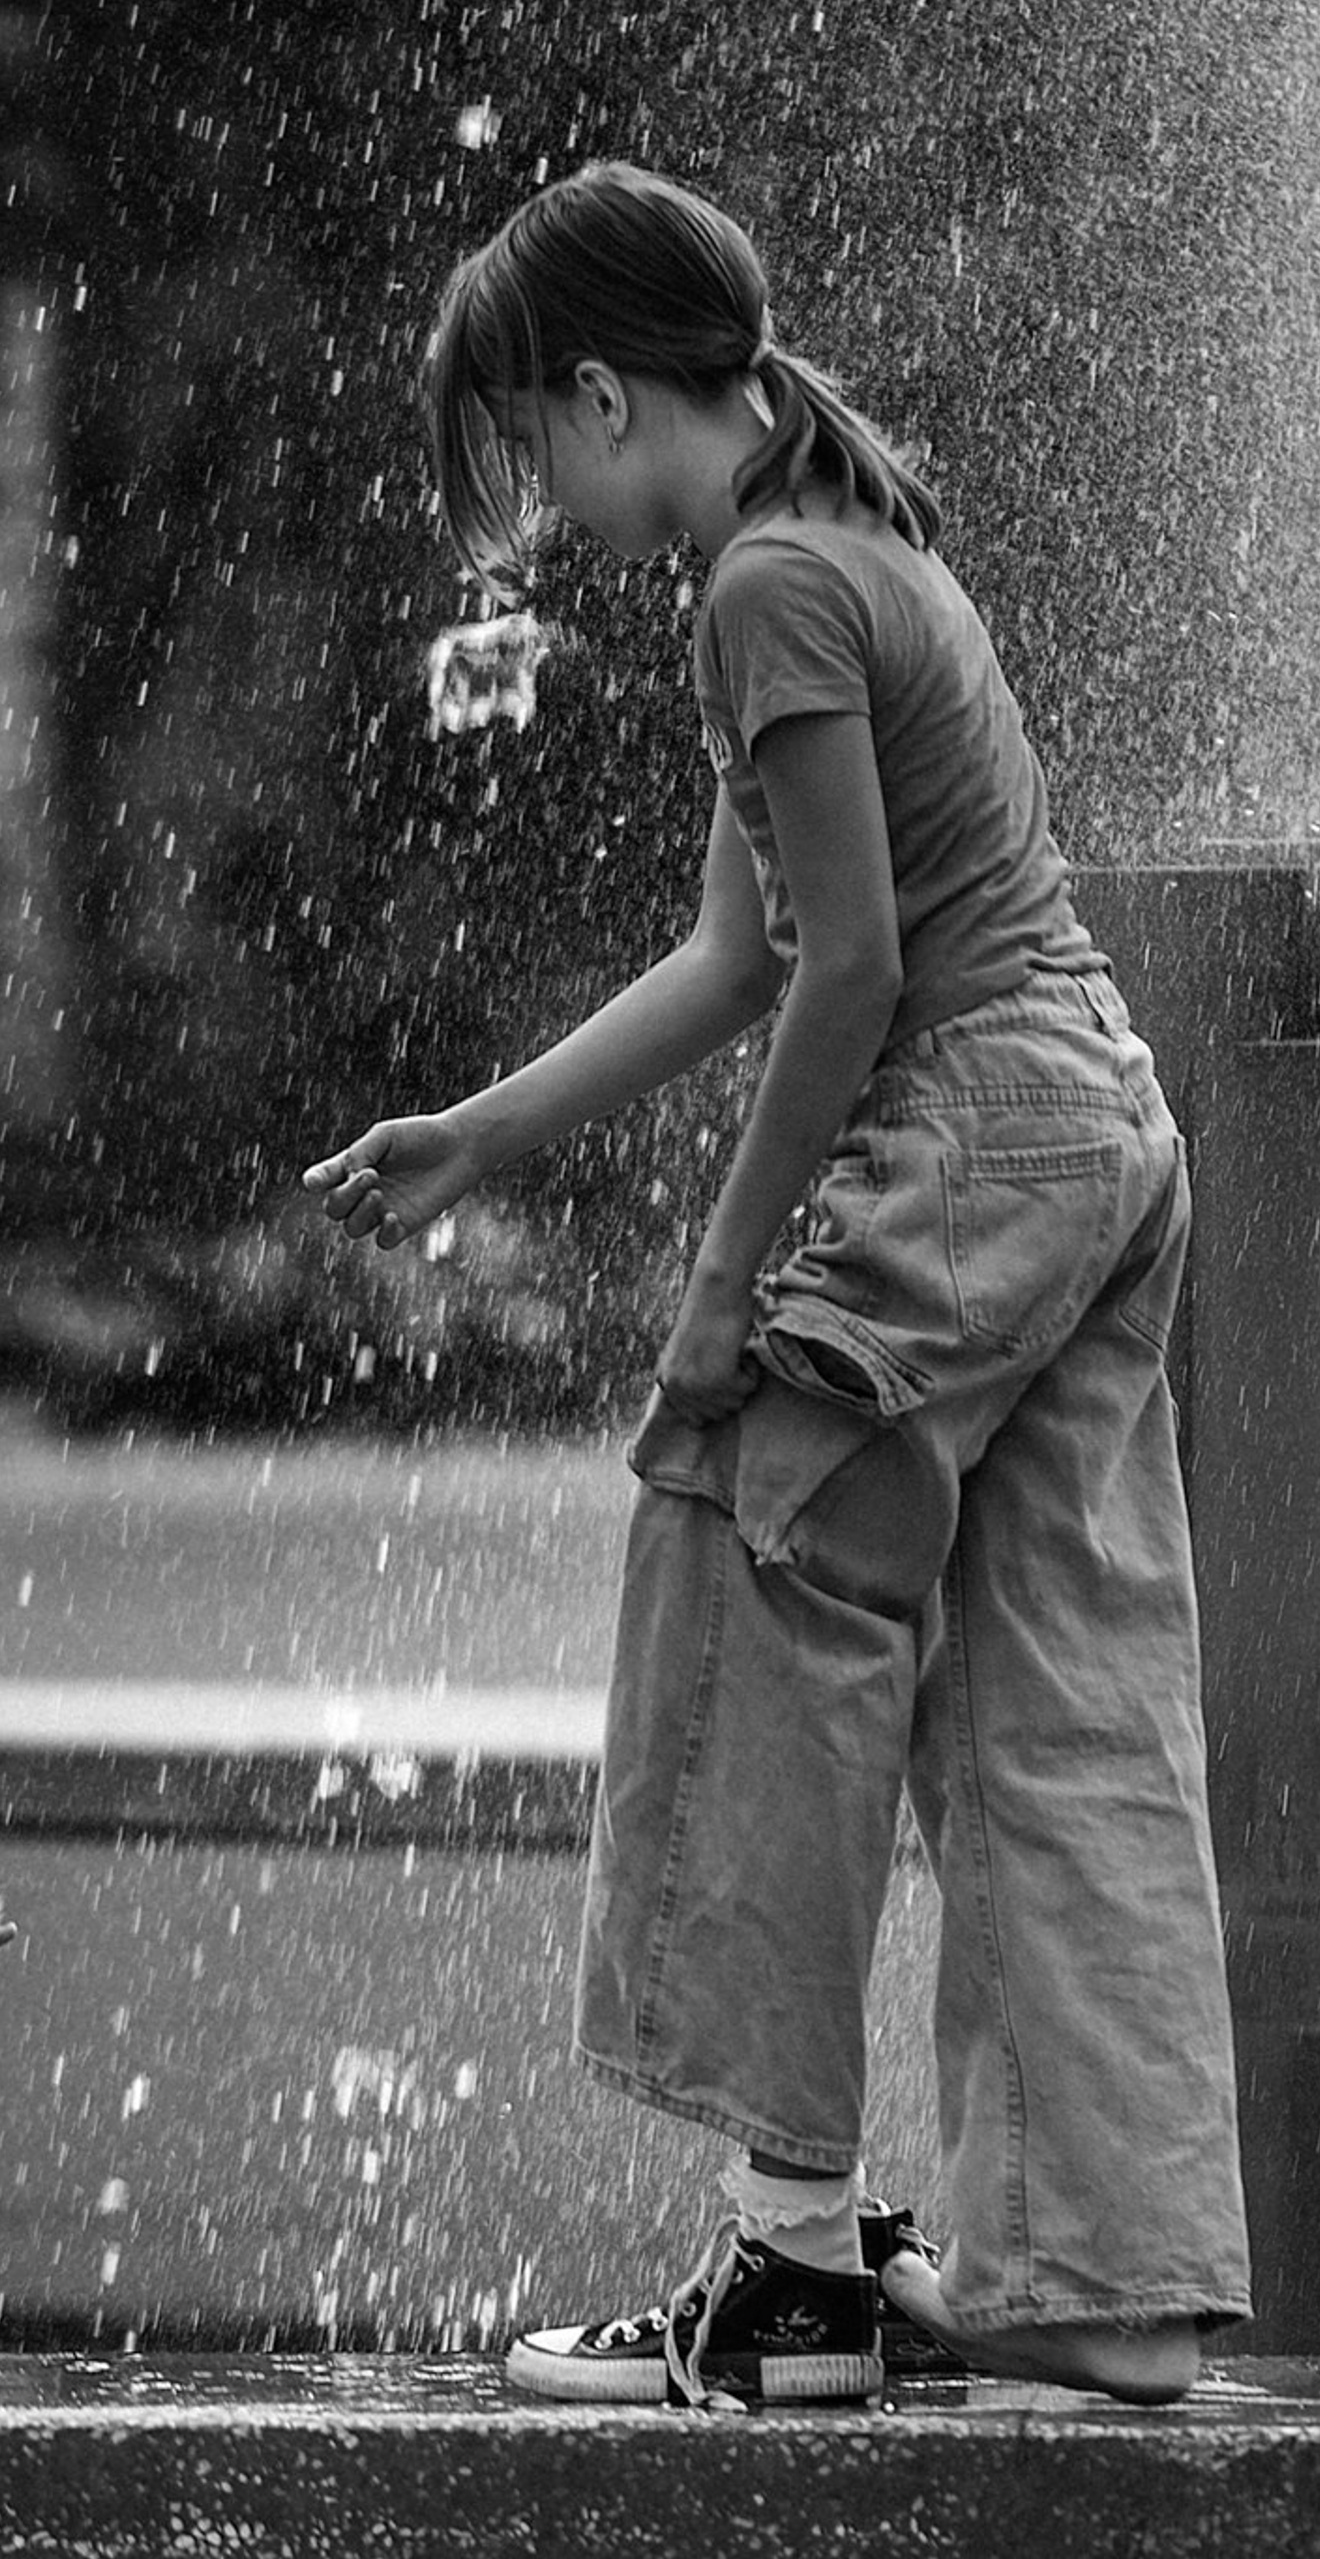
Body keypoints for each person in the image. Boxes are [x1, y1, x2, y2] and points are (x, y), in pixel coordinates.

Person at [305, 162, 1247, 2408]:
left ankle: (789, 2265)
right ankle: (1100, 2275)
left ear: (598, 393)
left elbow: (853, 977)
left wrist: (719, 1297)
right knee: (1060, 1705)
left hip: (971, 1121)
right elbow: (742, 951)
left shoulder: (765, 585)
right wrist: (484, 1132)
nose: (540, 506)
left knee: (743, 1568)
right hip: (1096, 1130)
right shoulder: (852, 542)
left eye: (525, 450)